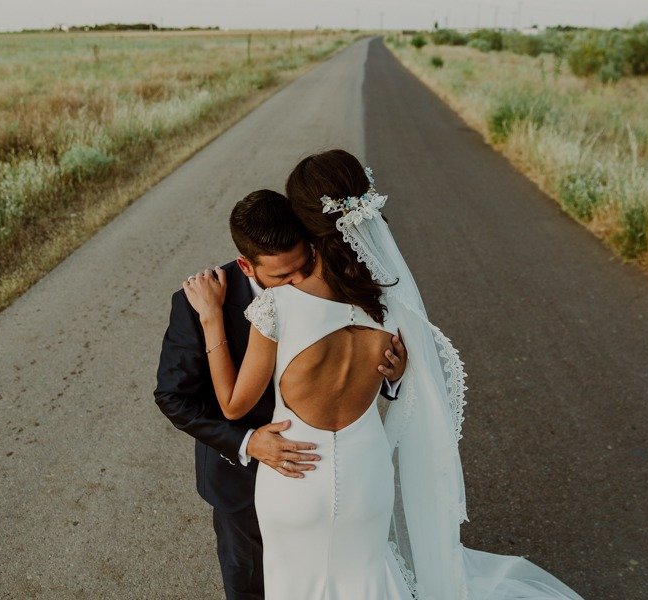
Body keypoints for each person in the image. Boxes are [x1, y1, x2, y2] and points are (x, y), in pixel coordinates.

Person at [181, 150, 587, 599]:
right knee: (369, 583)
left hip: (294, 479)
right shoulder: (389, 303)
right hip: (366, 478)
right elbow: (404, 381)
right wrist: (395, 376)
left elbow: (233, 405)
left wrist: (211, 320)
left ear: (304, 223)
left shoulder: (276, 306)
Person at [153, 189, 407, 600]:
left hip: (335, 473)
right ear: (245, 265)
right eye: (280, 277)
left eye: (301, 267)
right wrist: (248, 442)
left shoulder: (330, 280)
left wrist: (392, 375)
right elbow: (174, 397)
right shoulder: (195, 304)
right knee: (254, 587)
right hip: (241, 479)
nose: (296, 284)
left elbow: (357, 351)